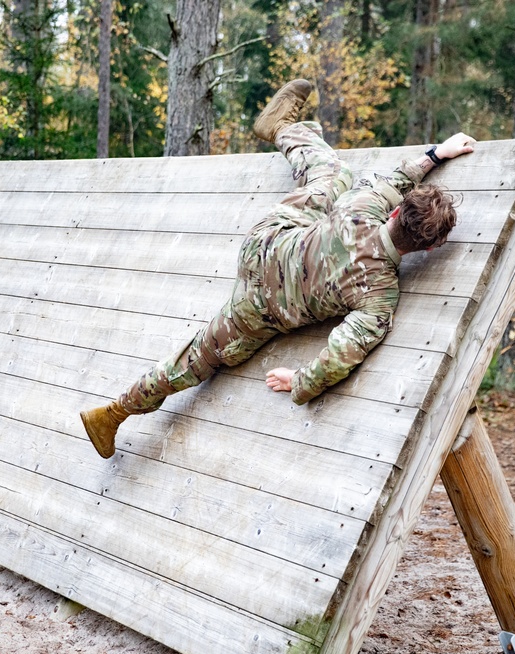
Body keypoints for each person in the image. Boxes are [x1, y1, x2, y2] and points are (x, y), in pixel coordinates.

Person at [80, 79, 476, 459]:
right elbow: (340, 356)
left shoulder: (365, 207)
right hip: (259, 308)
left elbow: (395, 179)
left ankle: (283, 128)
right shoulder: (380, 296)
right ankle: (113, 414)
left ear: (393, 211)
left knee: (334, 176)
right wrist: (299, 382)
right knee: (194, 360)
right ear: (429, 246)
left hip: (265, 244)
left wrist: (437, 154)